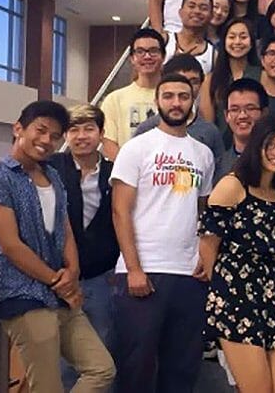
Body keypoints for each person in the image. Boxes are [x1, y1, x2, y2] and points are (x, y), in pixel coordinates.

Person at [0, 101, 116, 392]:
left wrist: (72, 271)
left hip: (61, 294)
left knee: (101, 369)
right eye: (40, 131)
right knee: (47, 386)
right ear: (18, 129)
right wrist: (56, 280)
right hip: (24, 295)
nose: (46, 140)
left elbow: (64, 227)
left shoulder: (51, 175)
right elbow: (11, 246)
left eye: (54, 136)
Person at [111, 73, 215, 392]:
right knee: (136, 368)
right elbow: (120, 211)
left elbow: (203, 212)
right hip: (144, 272)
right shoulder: (136, 148)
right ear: (157, 101)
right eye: (168, 96)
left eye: (183, 96)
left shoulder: (203, 153)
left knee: (182, 368)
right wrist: (134, 268)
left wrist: (205, 257)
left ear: (192, 102)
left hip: (188, 274)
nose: (176, 103)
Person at [200, 116, 275, 393]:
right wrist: (220, 294)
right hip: (235, 297)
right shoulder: (232, 187)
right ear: (256, 146)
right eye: (270, 144)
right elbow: (208, 245)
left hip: (272, 295)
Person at [49, 105, 119, 390]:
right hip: (61, 278)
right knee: (64, 359)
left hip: (103, 277)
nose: (81, 136)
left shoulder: (115, 173)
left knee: (103, 352)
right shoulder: (52, 167)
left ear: (101, 134)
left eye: (89, 129)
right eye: (74, 130)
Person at [134, 54, 225, 176]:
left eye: (194, 82)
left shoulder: (210, 132)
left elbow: (218, 176)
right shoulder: (146, 129)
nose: (187, 86)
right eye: (180, 80)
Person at [101, 28, 164, 160]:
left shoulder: (173, 98)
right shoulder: (114, 99)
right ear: (132, 58)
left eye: (153, 51)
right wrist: (129, 168)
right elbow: (109, 143)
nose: (147, 56)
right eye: (140, 52)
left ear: (163, 56)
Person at [200, 18, 262, 140]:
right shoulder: (210, 80)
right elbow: (209, 123)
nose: (237, 42)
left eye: (243, 37)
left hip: (256, 141)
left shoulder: (262, 75)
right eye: (232, 37)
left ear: (251, 43)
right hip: (221, 144)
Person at [215, 78, 270, 182]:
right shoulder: (218, 166)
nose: (242, 115)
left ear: (264, 113)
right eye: (235, 109)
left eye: (250, 108)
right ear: (226, 115)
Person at [163, 0, 216, 74]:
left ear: (211, 16)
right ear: (180, 12)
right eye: (191, 6)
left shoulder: (213, 55)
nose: (197, 11)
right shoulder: (164, 41)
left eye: (203, 8)